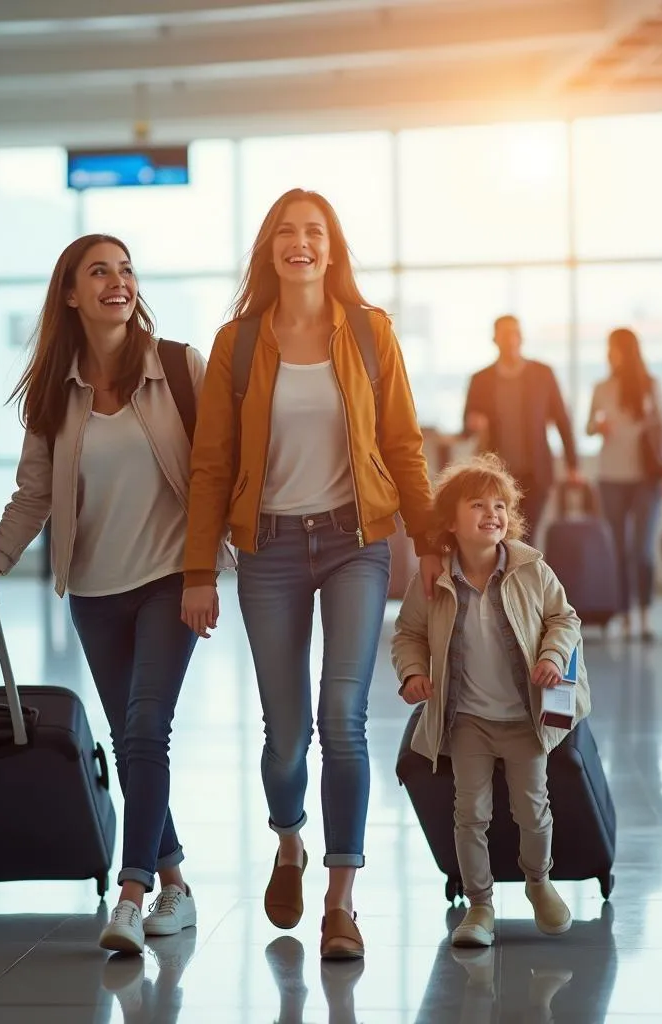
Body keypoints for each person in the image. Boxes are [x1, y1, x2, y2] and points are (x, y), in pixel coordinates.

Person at [181, 188, 441, 960]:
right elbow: (211, 465)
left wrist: (430, 543)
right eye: (287, 232)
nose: (301, 243)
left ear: (333, 248)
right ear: (270, 248)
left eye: (315, 232)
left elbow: (403, 443)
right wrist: (201, 569)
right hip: (266, 551)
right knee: (286, 733)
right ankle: (289, 841)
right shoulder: (235, 345)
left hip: (355, 543)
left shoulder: (368, 333)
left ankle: (341, 902)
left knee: (343, 718)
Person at [0, 233, 233, 956]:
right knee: (129, 741)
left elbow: (219, 467)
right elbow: (34, 497)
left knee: (148, 726)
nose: (117, 282)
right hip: (93, 587)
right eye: (99, 272)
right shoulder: (53, 395)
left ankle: (131, 894)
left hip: (170, 581)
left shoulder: (181, 367)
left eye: (125, 270)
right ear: (70, 293)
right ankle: (177, 885)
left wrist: (203, 571)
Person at [391, 453, 590, 948]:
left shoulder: (530, 567)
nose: (492, 514)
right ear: (450, 522)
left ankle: (538, 883)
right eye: (477, 505)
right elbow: (408, 635)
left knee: (532, 808)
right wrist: (413, 671)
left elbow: (565, 619)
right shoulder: (433, 581)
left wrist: (551, 654)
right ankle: (479, 905)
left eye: (500, 505)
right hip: (468, 720)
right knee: (470, 813)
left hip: (526, 716)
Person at [587, 328, 662, 641]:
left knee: (642, 550)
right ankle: (624, 614)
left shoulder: (651, 386)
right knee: (619, 549)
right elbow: (588, 426)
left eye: (614, 348)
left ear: (627, 351)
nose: (609, 354)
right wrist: (598, 426)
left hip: (647, 479)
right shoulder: (601, 387)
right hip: (610, 476)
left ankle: (645, 613)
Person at [463, 316, 580, 543]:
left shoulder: (542, 374)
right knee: (499, 538)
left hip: (535, 474)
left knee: (526, 537)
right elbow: (466, 426)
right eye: (504, 334)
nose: (510, 339)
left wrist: (572, 465)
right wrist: (473, 424)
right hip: (496, 477)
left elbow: (562, 420)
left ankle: (523, 579)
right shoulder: (481, 379)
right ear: (494, 339)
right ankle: (503, 579)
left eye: (514, 333)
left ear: (521, 337)